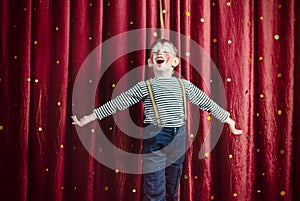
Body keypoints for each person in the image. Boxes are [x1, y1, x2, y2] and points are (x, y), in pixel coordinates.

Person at [71, 38, 243, 201]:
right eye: (156, 51)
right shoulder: (144, 87)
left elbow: (207, 103)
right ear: (150, 62)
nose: (160, 52)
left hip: (179, 138)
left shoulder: (185, 85)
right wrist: (88, 118)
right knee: (154, 188)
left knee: (172, 186)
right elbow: (117, 103)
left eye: (166, 51)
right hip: (154, 139)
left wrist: (229, 120)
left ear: (175, 62)